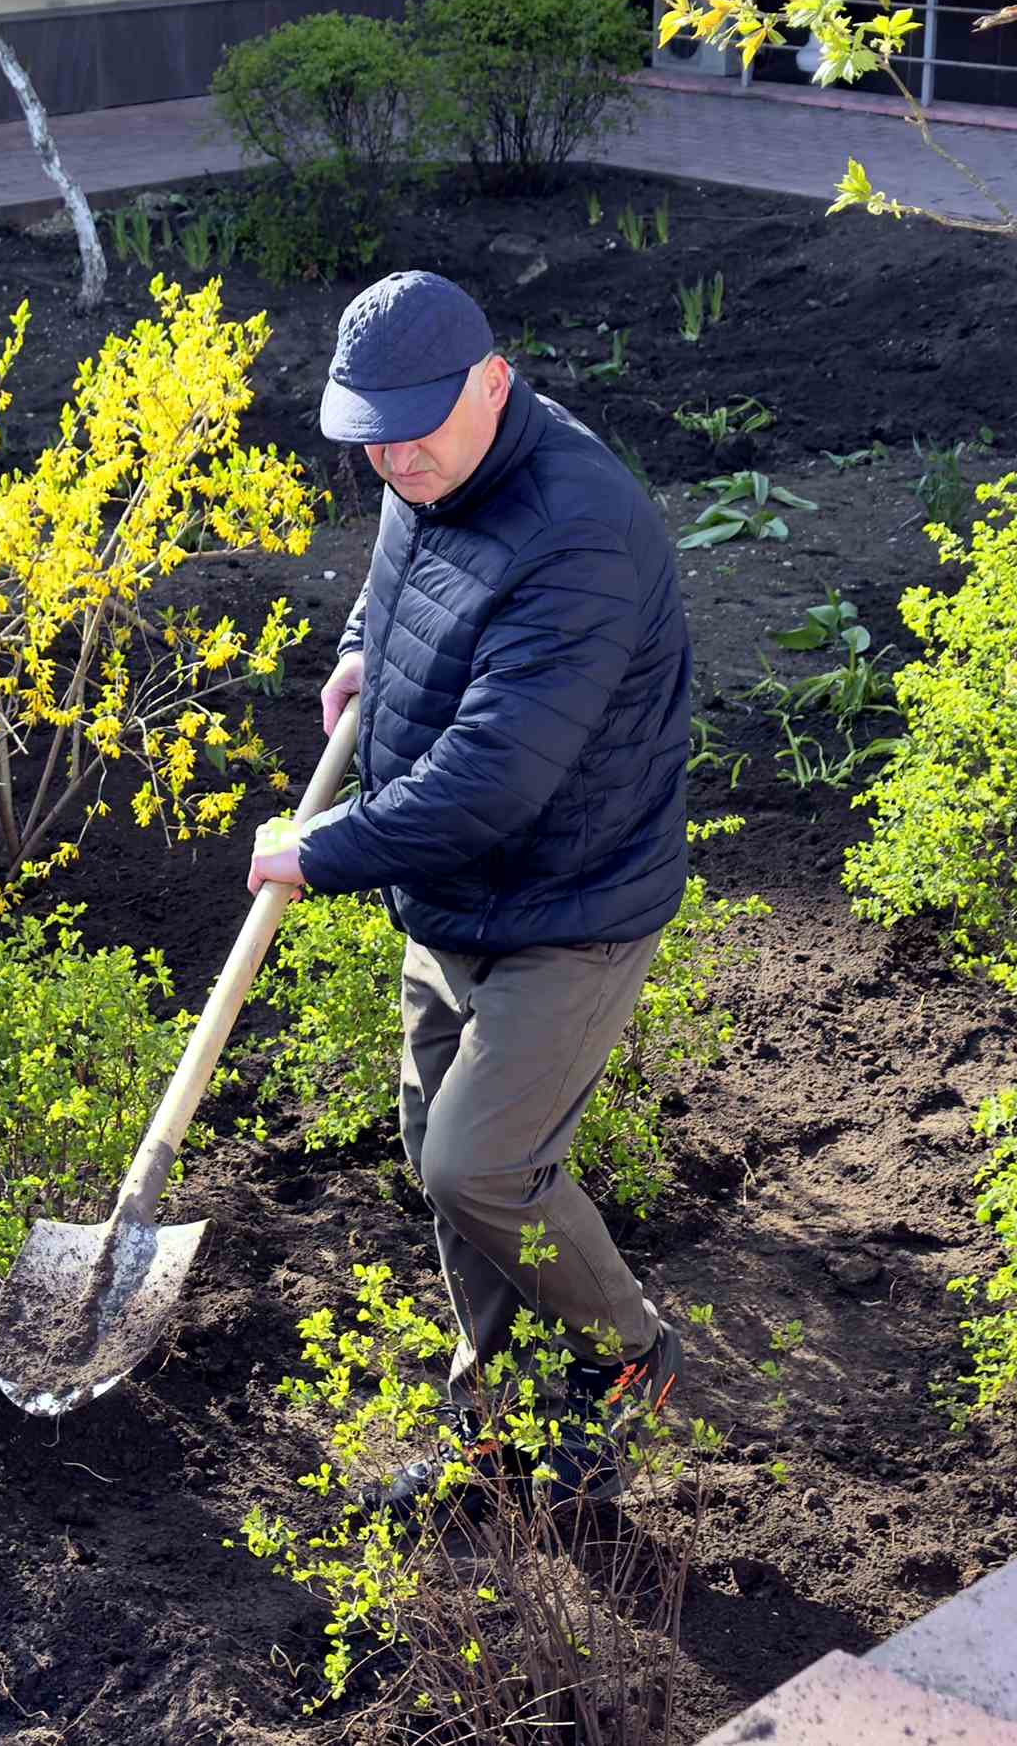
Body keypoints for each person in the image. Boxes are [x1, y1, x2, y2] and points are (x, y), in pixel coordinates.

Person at [249, 269, 697, 1502]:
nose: (392, 459)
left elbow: (493, 777)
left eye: (413, 429)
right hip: (457, 896)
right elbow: (400, 585)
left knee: (479, 1164)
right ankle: (490, 1419)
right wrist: (355, 655)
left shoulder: (581, 529)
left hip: (572, 903)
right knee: (440, 1154)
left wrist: (320, 850)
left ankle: (636, 1359)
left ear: (492, 383)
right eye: (370, 436)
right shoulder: (427, 464)